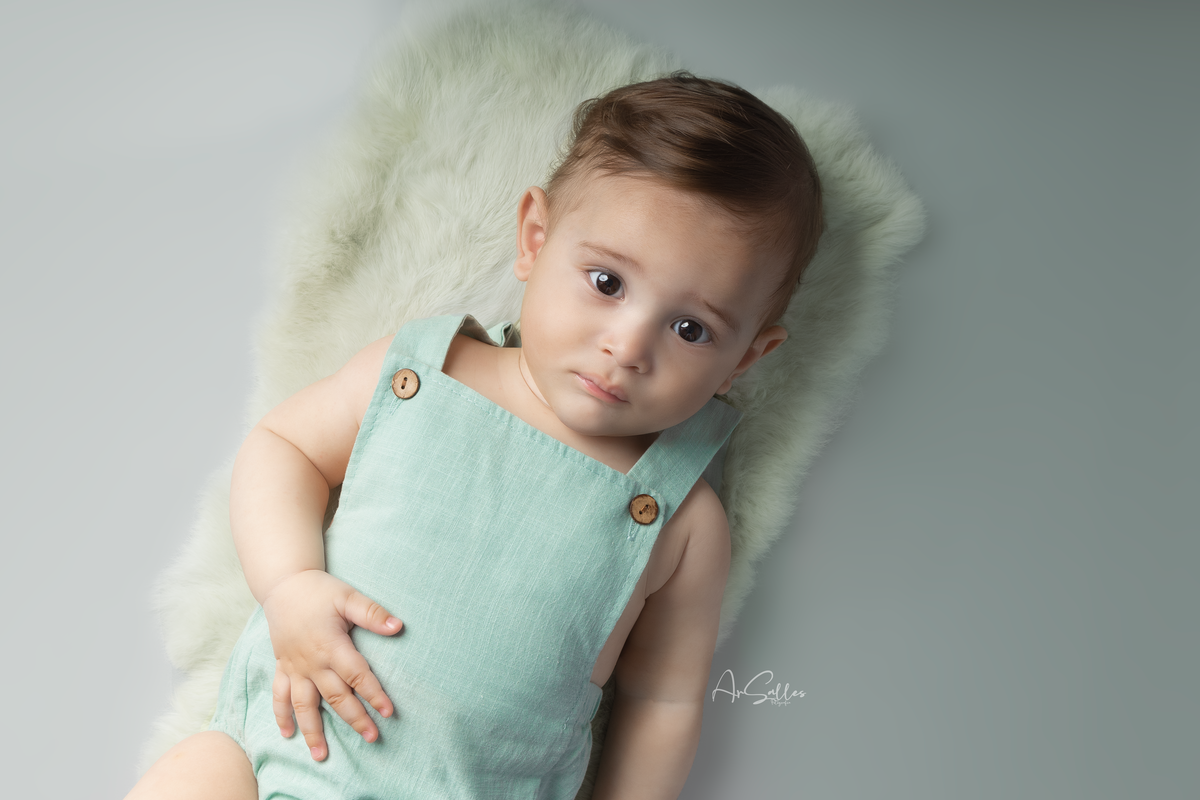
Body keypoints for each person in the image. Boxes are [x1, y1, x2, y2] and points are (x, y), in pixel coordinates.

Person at [127, 72, 823, 800]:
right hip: (282, 757)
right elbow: (283, 448)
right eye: (607, 283)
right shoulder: (425, 372)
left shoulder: (682, 521)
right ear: (534, 240)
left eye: (690, 328)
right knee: (196, 772)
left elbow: (662, 702)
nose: (627, 346)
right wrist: (289, 583)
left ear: (745, 358)